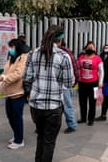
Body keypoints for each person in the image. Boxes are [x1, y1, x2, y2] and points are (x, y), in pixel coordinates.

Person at [23, 25, 74, 162]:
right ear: (60, 40)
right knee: (49, 143)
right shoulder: (64, 56)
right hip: (54, 107)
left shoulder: (33, 54)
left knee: (40, 137)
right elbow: (69, 82)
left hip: (36, 106)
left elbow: (27, 78)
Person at [0, 38, 28, 150]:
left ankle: (19, 140)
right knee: (10, 117)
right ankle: (16, 135)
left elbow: (19, 74)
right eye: (10, 47)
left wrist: (4, 78)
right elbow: (6, 72)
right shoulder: (11, 58)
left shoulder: (23, 57)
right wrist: (0, 78)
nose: (11, 49)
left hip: (17, 92)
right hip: (8, 92)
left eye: (12, 47)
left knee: (17, 117)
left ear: (17, 47)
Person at [77, 41, 104, 126]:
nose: (90, 49)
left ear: (95, 49)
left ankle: (91, 119)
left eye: (92, 47)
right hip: (82, 83)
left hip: (94, 84)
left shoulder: (98, 58)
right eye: (89, 47)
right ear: (85, 48)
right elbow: (77, 68)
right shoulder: (81, 57)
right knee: (82, 101)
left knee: (93, 102)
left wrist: (100, 82)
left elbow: (102, 71)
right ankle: (83, 118)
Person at [59, 41, 79, 134]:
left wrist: (75, 81)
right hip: (58, 84)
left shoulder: (66, 53)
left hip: (65, 85)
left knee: (67, 105)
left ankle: (72, 125)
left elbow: (75, 67)